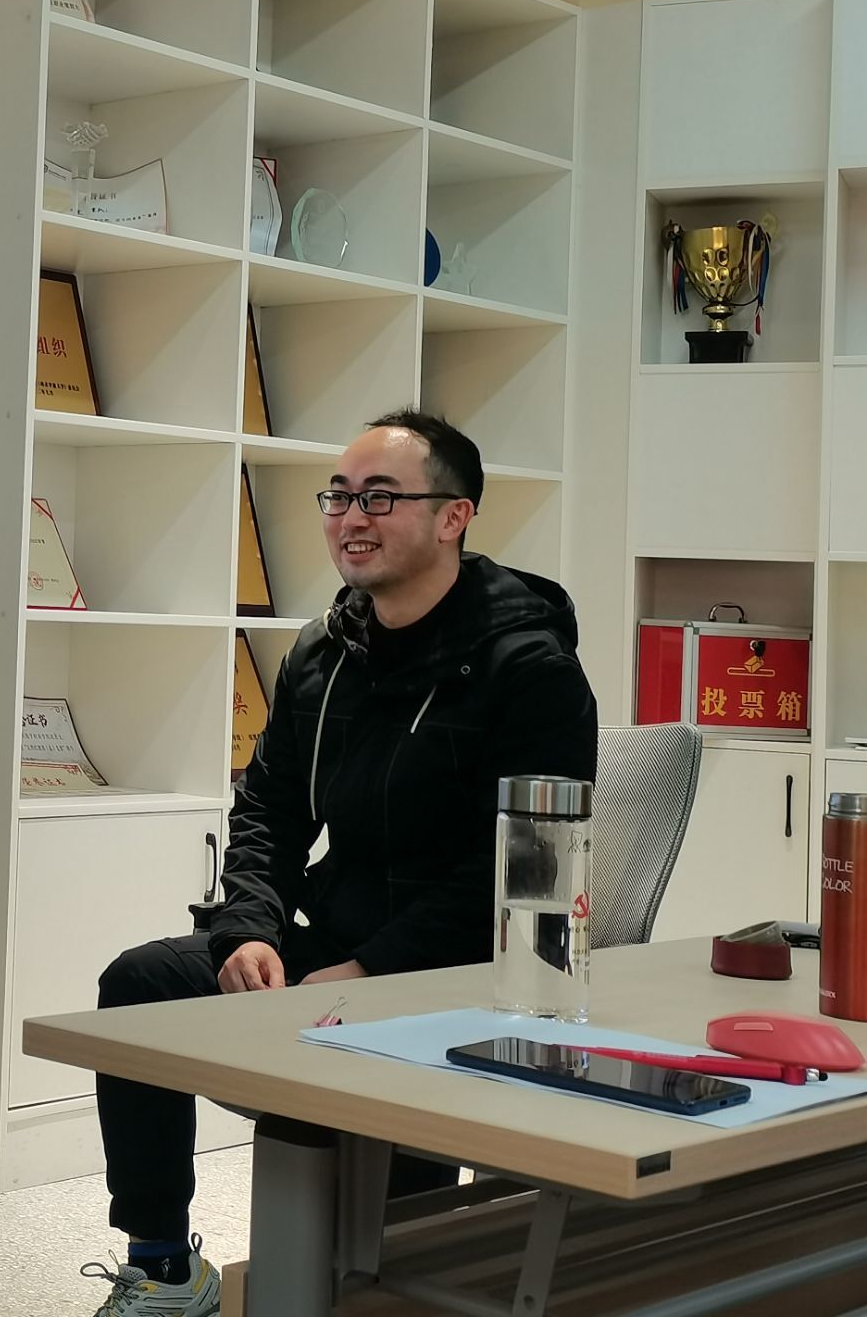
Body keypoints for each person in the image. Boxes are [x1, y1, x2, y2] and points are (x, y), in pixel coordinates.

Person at [81, 410, 597, 1317]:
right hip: (334, 941)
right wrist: (249, 930)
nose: (351, 518)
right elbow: (268, 811)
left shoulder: (529, 669)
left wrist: (370, 969)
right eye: (338, 497)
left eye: (380, 497)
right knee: (140, 985)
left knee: (380, 1261)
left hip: (466, 966)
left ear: (453, 516)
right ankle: (163, 1268)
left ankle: (384, 1264)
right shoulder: (323, 651)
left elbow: (517, 872)